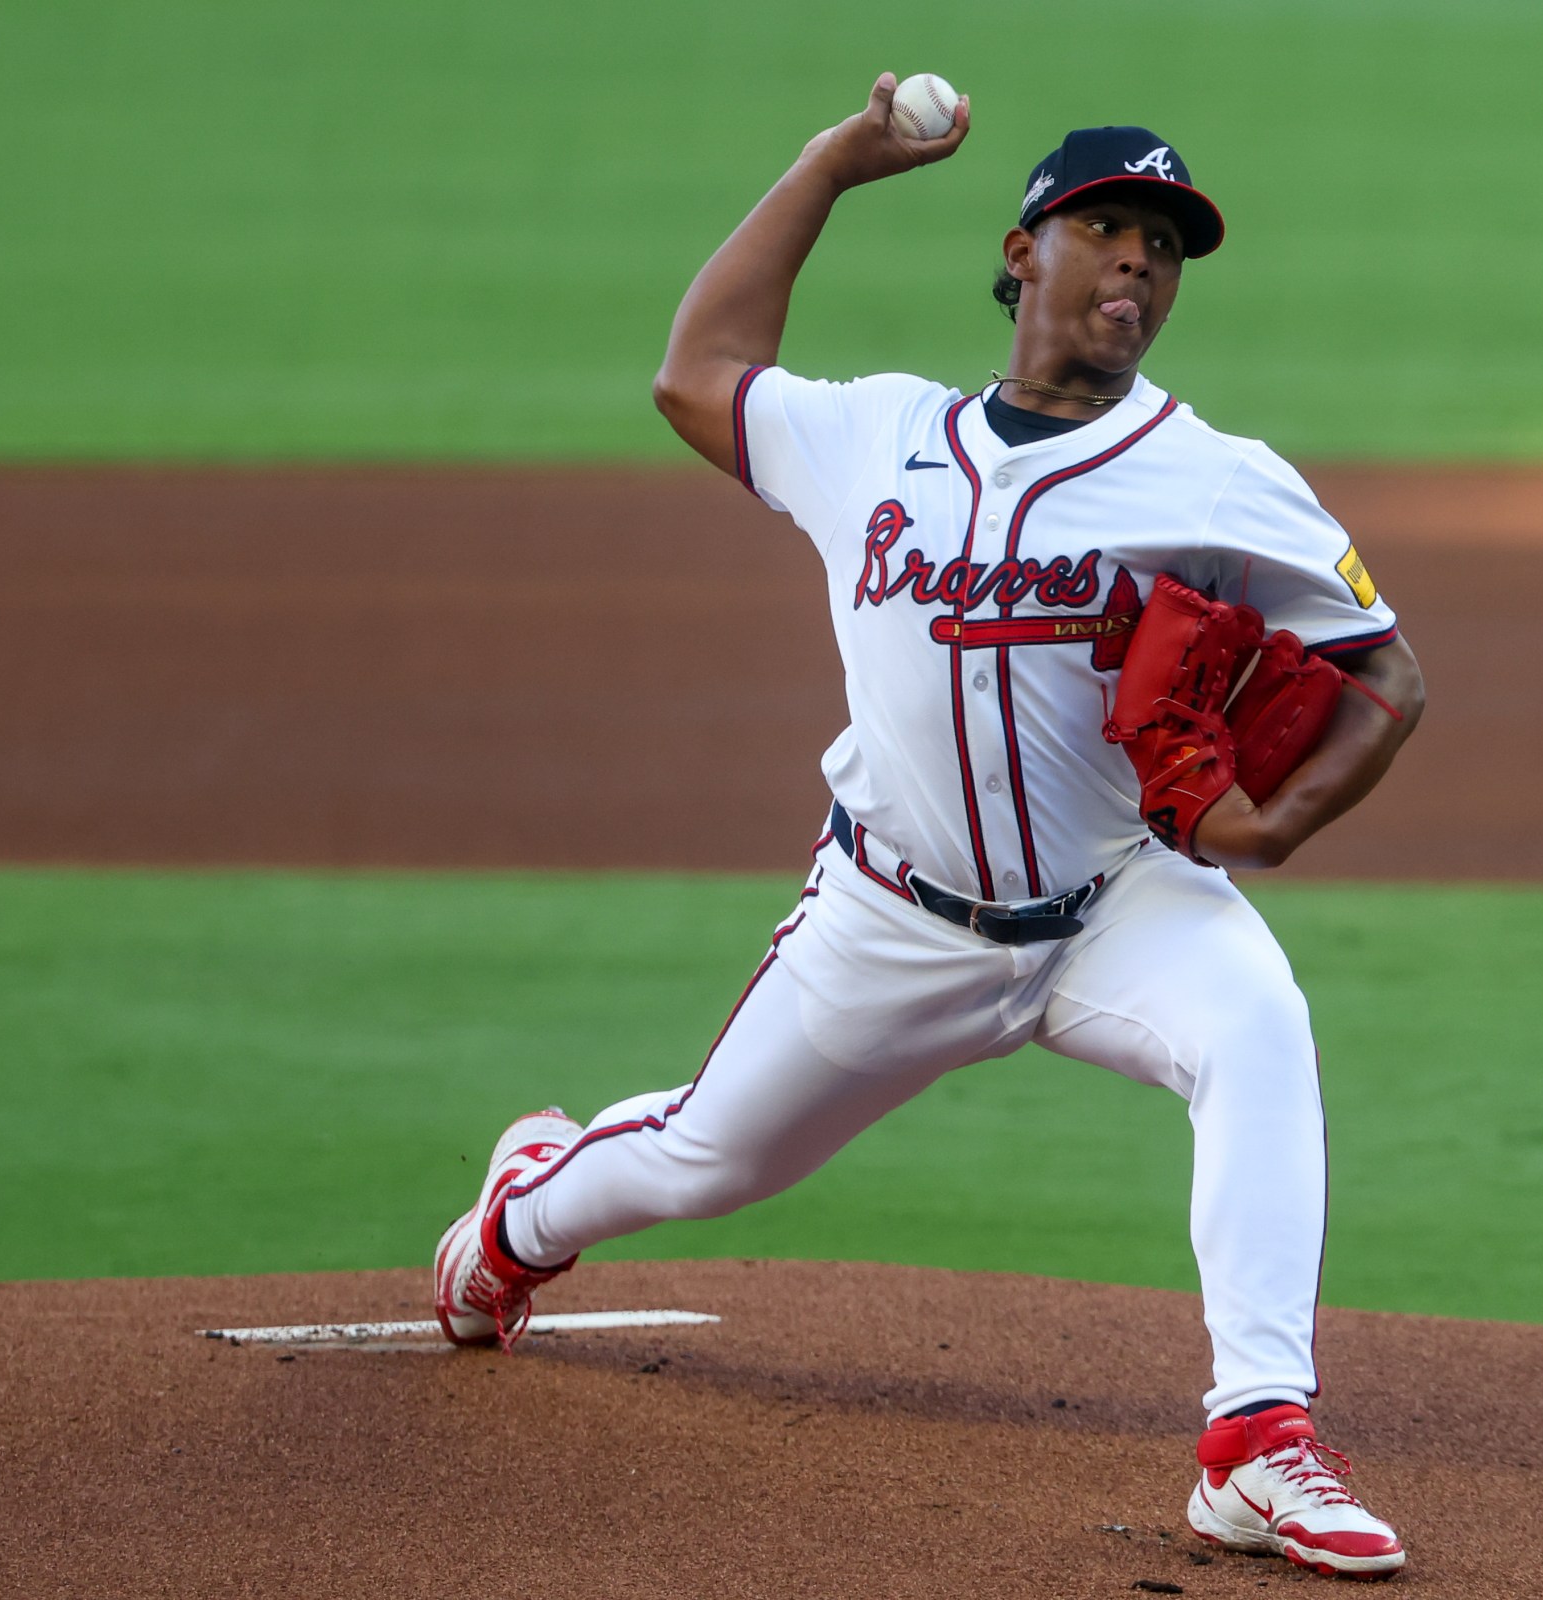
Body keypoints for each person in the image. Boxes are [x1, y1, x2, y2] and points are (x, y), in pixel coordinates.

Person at [432, 74, 1425, 1581]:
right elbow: (697, 373)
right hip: (891, 919)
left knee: (1260, 1026)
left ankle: (1255, 1442)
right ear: (1024, 252)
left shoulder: (1217, 477)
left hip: (1117, 906)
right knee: (709, 1156)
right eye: (1106, 228)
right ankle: (522, 1219)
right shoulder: (876, 438)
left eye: (1165, 245)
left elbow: (1386, 674)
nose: (1140, 265)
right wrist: (837, 161)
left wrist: (1273, 825)